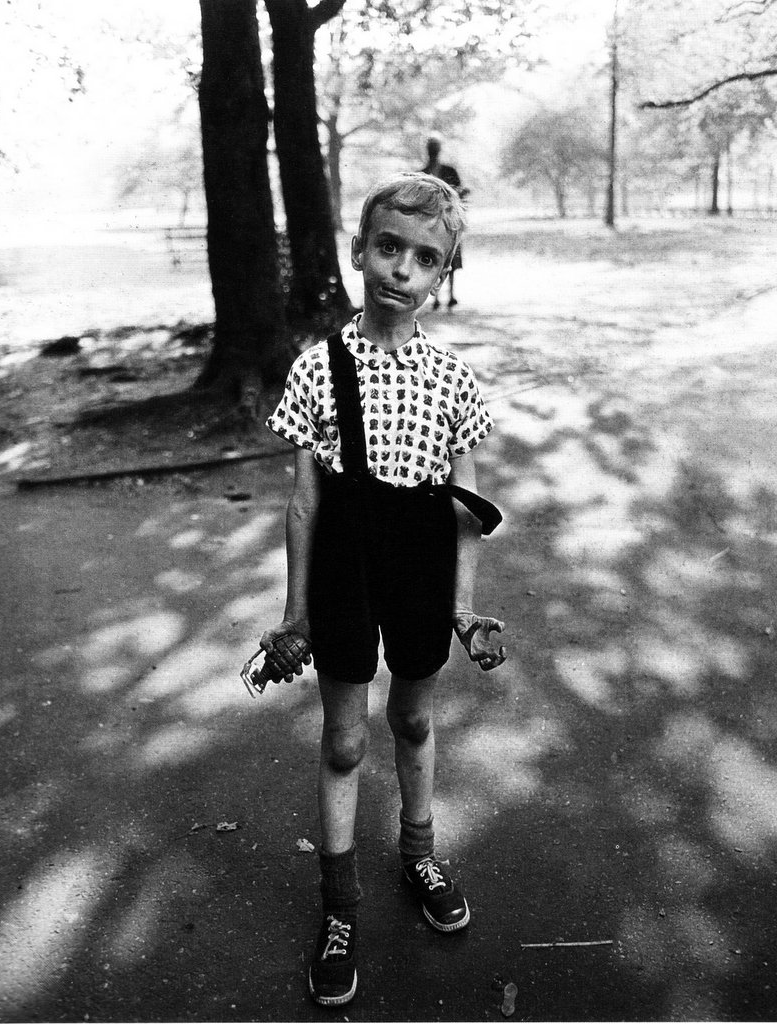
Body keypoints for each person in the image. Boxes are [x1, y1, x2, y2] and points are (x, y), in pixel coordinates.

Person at [250, 172, 507, 1008]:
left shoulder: (454, 381)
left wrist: (464, 607)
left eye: (425, 258)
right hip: (344, 568)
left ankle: (419, 850)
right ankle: (339, 906)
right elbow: (303, 500)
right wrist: (295, 615)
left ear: (444, 275)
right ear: (359, 251)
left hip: (422, 566)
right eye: (388, 247)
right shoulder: (318, 369)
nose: (402, 268)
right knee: (344, 741)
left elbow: (467, 509)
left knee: (415, 717)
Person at [420, 135, 469, 309]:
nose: (433, 152)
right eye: (430, 148)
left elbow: (460, 193)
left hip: (448, 222)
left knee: (451, 259)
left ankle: (451, 295)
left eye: (435, 148)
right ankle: (435, 297)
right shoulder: (421, 173)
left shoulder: (449, 171)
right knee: (432, 259)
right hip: (429, 225)